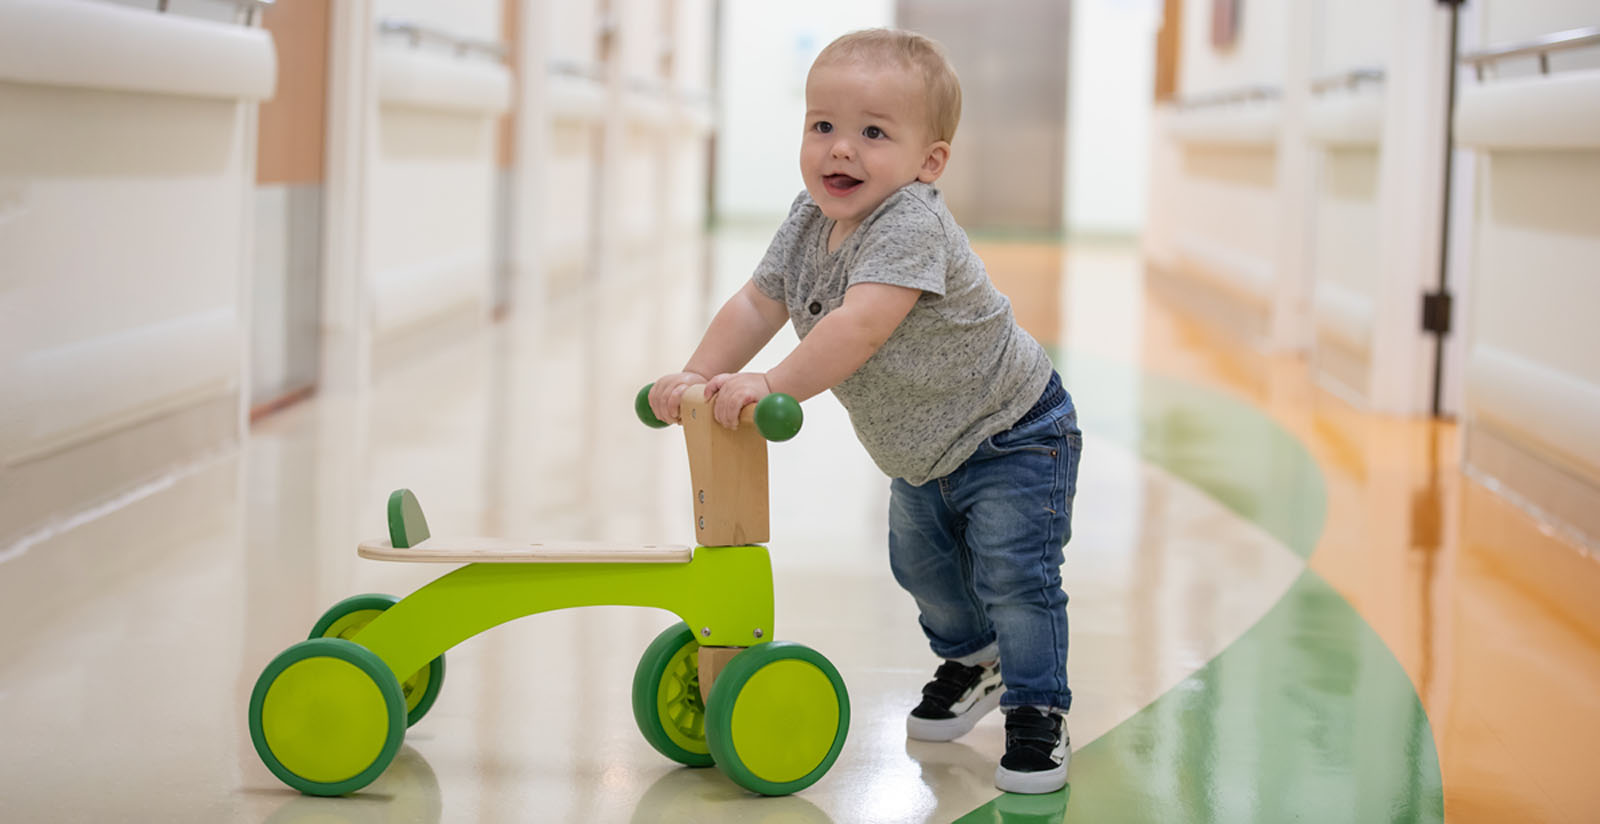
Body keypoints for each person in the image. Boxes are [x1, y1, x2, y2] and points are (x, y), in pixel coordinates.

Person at [647, 28, 1081, 795]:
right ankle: (973, 660)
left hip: (1016, 434)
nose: (840, 150)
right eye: (823, 126)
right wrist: (697, 373)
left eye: (873, 133)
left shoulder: (910, 222)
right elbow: (758, 301)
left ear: (928, 161)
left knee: (1017, 577)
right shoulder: (808, 221)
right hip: (920, 453)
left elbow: (861, 324)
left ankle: (1038, 708)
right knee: (920, 568)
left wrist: (771, 383)